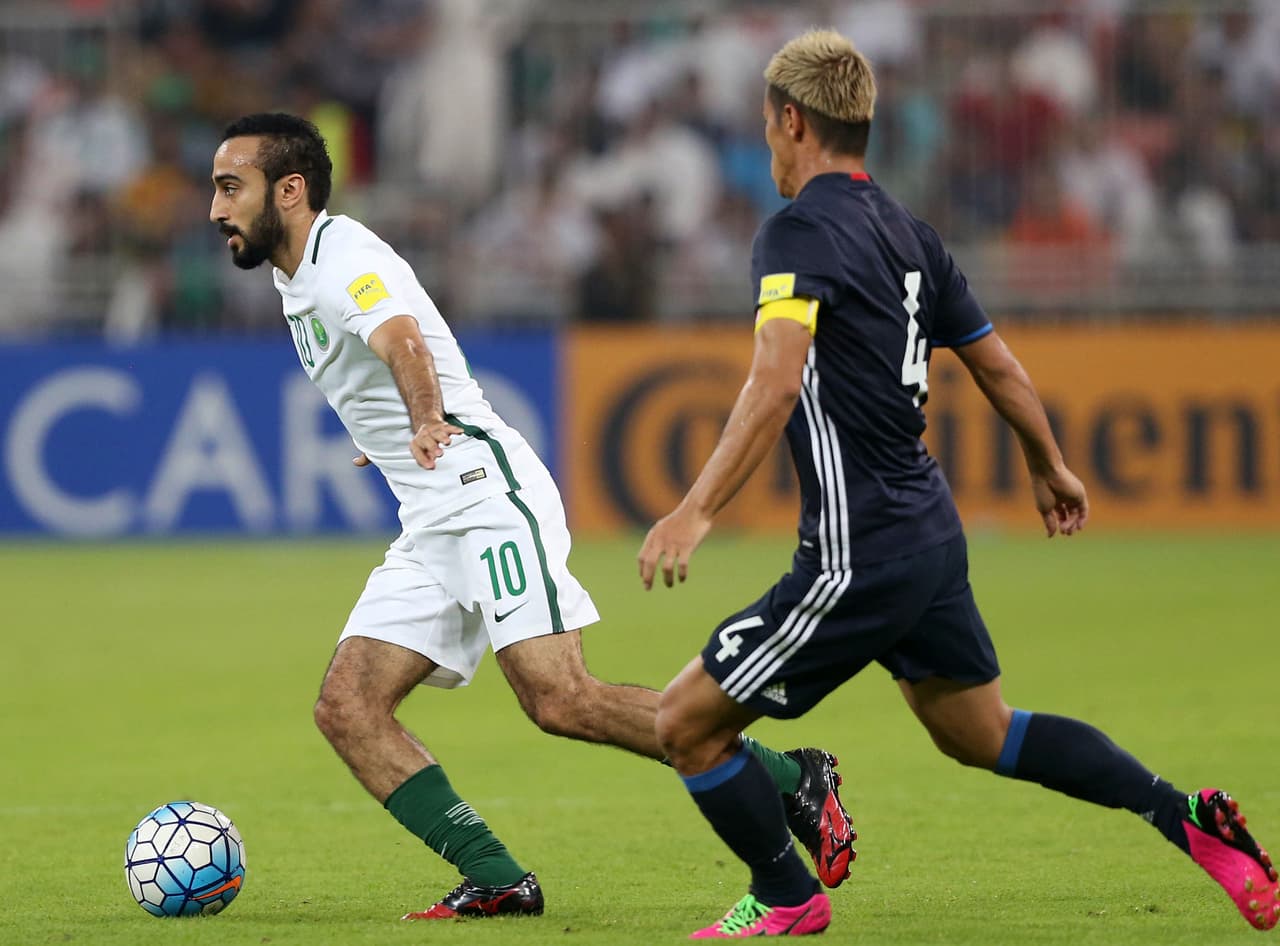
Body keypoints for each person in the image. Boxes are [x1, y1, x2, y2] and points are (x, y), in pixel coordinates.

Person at [638, 29, 1278, 940]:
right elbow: (1001, 366)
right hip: (929, 535)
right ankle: (1186, 817)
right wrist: (1047, 461)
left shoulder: (796, 232)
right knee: (983, 732)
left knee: (684, 724)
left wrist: (695, 509)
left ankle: (786, 895)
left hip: (858, 553)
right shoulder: (910, 234)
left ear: (790, 121)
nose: (770, 147)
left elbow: (775, 381)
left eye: (770, 129)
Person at [207, 112, 856, 921]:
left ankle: (795, 778)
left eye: (232, 186)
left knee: (561, 699)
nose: (216, 207)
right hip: (432, 509)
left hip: (483, 494)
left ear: (290, 189)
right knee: (348, 707)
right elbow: (391, 354)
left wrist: (423, 418)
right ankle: (496, 878)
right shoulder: (296, 271)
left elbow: (403, 338)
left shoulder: (343, 257)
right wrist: (396, 434)